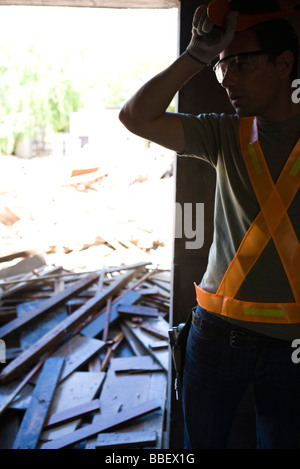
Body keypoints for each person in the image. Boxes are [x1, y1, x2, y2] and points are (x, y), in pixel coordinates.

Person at [119, 3, 300, 449]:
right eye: (222, 68)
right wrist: (197, 56)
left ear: (283, 64)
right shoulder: (225, 134)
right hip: (216, 337)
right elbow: (135, 117)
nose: (228, 79)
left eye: (241, 63)